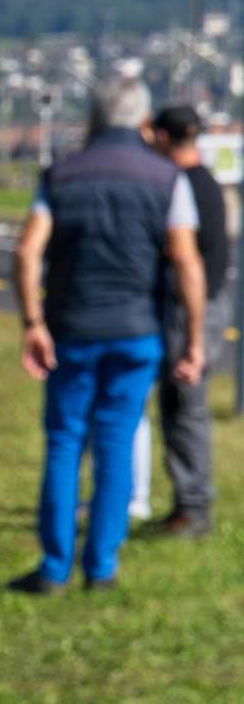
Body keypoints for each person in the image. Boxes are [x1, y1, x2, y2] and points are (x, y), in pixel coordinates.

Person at [10, 78, 207, 594]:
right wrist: (194, 339)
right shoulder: (166, 177)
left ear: (93, 117)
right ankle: (101, 566)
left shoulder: (61, 174)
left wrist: (32, 322)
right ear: (144, 121)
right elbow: (187, 262)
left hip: (72, 327)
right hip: (136, 329)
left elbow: (28, 251)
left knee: (65, 442)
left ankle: (54, 565)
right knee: (116, 442)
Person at [129, 105, 229, 537]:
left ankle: (193, 506)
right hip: (202, 305)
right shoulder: (204, 180)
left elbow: (189, 259)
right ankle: (187, 504)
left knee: (185, 407)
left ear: (164, 137)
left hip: (193, 308)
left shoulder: (185, 185)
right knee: (180, 407)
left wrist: (193, 333)